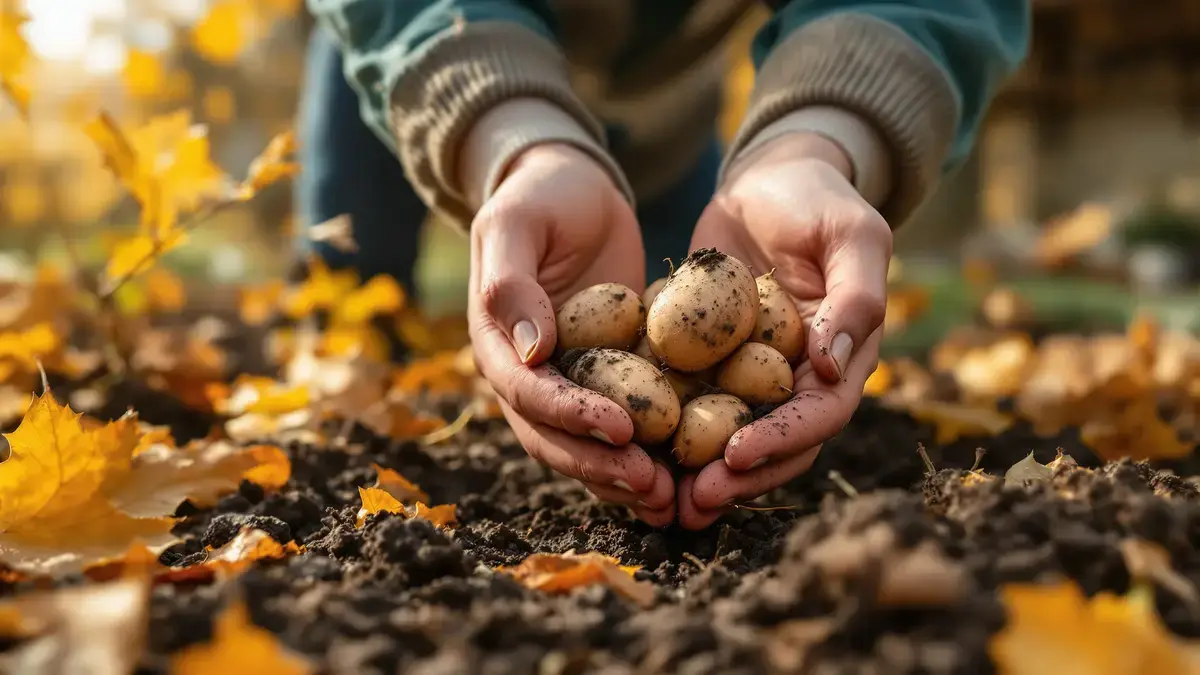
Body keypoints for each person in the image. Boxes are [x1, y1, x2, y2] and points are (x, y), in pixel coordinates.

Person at [301, 0, 1030, 530]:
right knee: (351, 299)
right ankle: (334, 401)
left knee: (656, 399)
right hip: (430, 46)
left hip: (673, 107)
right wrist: (512, 140)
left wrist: (819, 142)